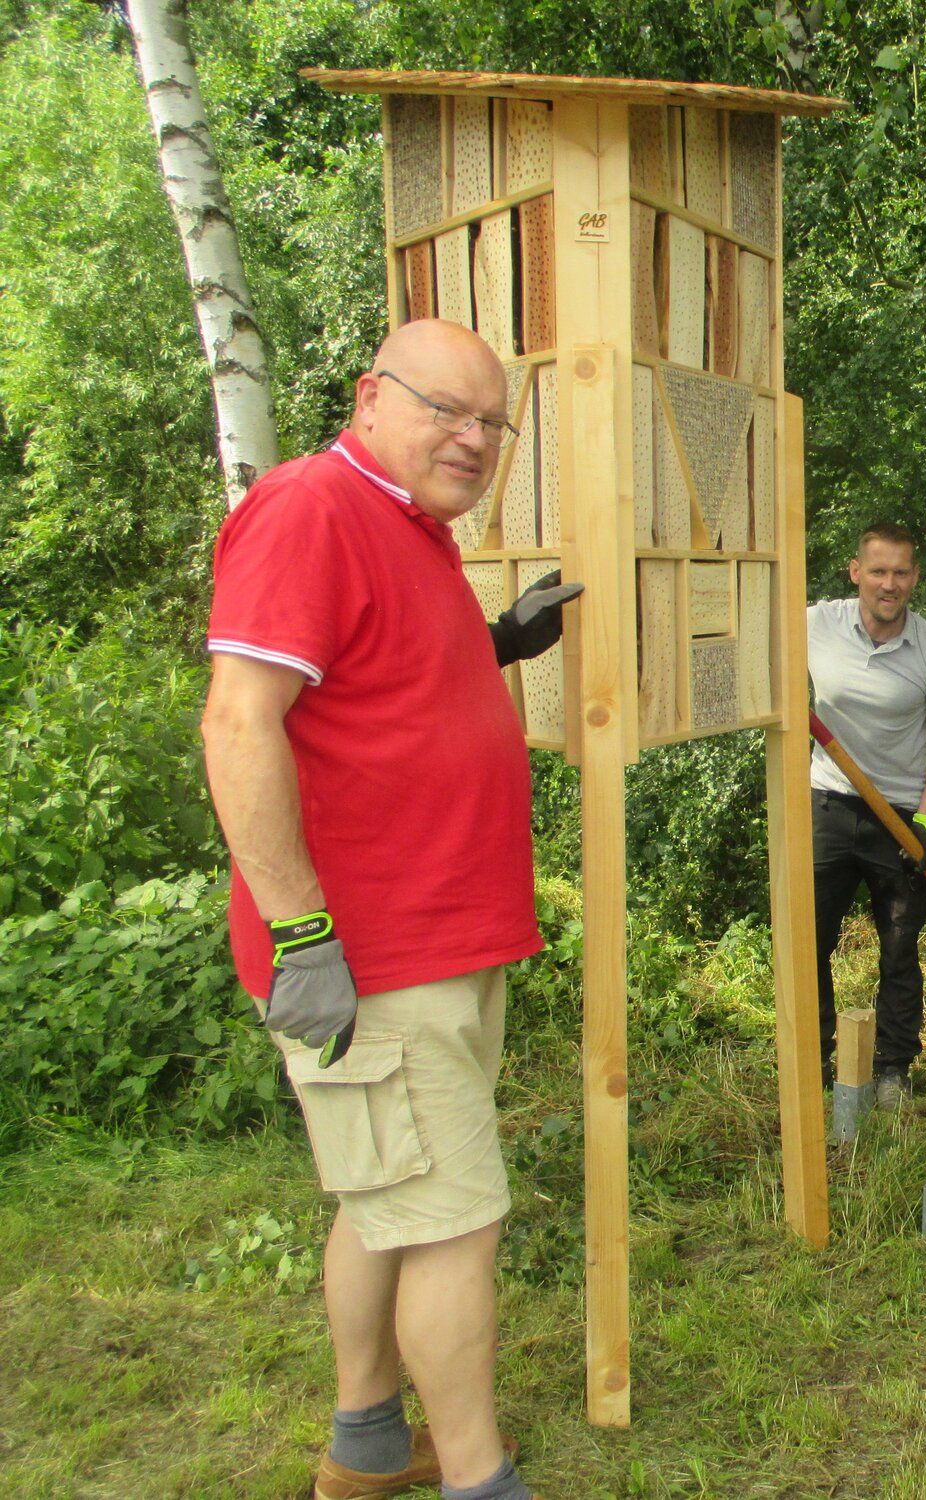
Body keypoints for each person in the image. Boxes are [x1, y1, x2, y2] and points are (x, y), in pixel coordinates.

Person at [203, 319, 564, 1500]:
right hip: (376, 953)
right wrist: (302, 934)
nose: (470, 440)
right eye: (444, 410)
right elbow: (239, 722)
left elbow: (378, 686)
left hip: (437, 935)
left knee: (385, 1200)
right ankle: (476, 1479)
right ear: (369, 396)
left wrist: (499, 645)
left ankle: (364, 1448)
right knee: (454, 1222)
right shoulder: (311, 507)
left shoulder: (412, 530)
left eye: (490, 424)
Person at [808, 522, 926, 1106]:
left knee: (900, 946)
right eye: (878, 571)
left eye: (901, 572)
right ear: (856, 572)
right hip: (825, 801)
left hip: (898, 815)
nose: (889, 584)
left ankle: (893, 1069)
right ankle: (817, 1062)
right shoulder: (814, 626)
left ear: (915, 577)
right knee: (809, 942)